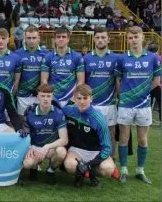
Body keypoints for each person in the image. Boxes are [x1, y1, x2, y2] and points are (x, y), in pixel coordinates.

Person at [115, 26, 160, 184]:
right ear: (127, 40)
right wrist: (125, 96)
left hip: (144, 105)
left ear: (142, 38)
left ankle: (140, 171)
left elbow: (156, 81)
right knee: (124, 139)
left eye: (136, 37)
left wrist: (142, 93)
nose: (134, 40)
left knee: (142, 140)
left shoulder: (152, 58)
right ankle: (124, 170)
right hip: (126, 104)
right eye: (131, 38)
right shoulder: (122, 58)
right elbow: (118, 81)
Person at [63, 84, 117, 188]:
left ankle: (93, 174)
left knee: (108, 169)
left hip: (95, 151)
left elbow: (107, 147)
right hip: (77, 150)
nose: (82, 101)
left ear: (91, 99)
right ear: (74, 99)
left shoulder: (98, 119)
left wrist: (90, 164)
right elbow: (55, 112)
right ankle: (80, 175)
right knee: (69, 165)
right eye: (79, 98)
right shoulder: (68, 110)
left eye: (85, 98)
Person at [83, 27, 119, 159]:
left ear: (108, 39)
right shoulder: (86, 58)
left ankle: (111, 159)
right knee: (89, 132)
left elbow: (118, 81)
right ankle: (88, 159)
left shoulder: (116, 58)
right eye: (97, 37)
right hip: (90, 104)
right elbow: (83, 82)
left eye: (103, 37)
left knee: (110, 133)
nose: (100, 40)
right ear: (94, 39)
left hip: (109, 103)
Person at [22, 84, 68, 185]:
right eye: (42, 96)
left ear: (52, 97)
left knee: (61, 152)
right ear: (38, 97)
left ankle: (50, 171)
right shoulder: (30, 112)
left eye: (48, 96)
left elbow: (64, 139)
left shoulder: (58, 113)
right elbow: (25, 134)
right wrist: (29, 147)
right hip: (35, 147)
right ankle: (33, 168)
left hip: (51, 148)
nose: (45, 99)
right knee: (27, 164)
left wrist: (47, 146)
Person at [41, 27, 85, 107]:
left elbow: (81, 81)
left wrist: (74, 98)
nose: (61, 39)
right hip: (53, 98)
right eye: (58, 37)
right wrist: (50, 96)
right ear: (54, 39)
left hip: (71, 98)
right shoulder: (48, 57)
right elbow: (44, 81)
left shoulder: (77, 57)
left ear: (68, 39)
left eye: (64, 37)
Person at [14, 26, 47, 128]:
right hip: (22, 94)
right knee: (22, 122)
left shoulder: (46, 54)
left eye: (34, 38)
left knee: (39, 120)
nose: (31, 41)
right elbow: (16, 78)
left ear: (39, 38)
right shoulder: (17, 54)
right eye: (29, 38)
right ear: (24, 38)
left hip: (39, 94)